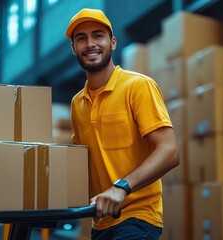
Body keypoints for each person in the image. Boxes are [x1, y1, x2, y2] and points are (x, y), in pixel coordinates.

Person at [66, 8, 180, 240]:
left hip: (138, 217)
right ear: (73, 48)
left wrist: (121, 187)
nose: (90, 44)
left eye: (98, 35)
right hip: (100, 221)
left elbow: (170, 151)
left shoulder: (138, 87)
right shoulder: (77, 103)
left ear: (113, 42)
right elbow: (81, 163)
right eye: (81, 38)